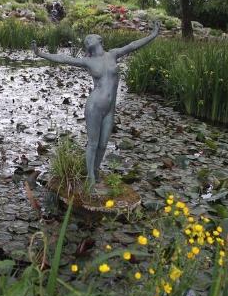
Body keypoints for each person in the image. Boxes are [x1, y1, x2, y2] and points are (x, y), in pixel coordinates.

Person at [31, 21, 160, 189]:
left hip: (110, 108)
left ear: (99, 40)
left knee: (103, 144)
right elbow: (63, 59)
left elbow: (133, 45)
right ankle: (90, 176)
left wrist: (153, 34)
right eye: (85, 41)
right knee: (93, 143)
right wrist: (40, 53)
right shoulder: (88, 61)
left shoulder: (113, 54)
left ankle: (96, 169)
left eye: (89, 38)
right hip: (95, 106)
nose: (86, 41)